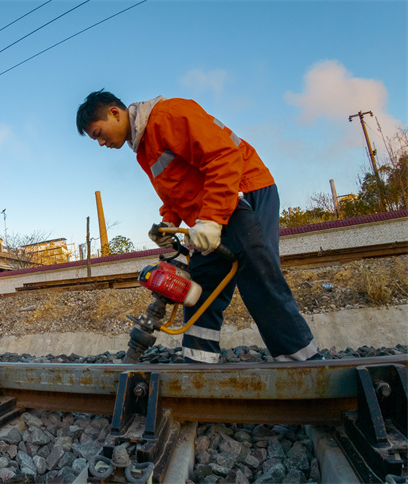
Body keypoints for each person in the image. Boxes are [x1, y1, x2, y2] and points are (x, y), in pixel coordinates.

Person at [75, 90, 320, 363]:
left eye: (97, 133)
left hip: (244, 191)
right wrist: (169, 221)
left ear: (114, 113)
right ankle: (199, 365)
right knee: (202, 288)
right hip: (212, 211)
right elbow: (178, 191)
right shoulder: (144, 148)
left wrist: (212, 220)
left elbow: (224, 157)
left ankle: (303, 364)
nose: (100, 142)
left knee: (259, 278)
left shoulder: (167, 116)